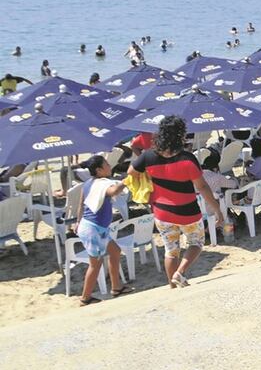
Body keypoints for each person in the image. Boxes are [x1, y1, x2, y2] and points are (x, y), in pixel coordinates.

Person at [130, 116, 225, 288]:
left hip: (162, 212)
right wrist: (217, 210)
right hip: (187, 211)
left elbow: (131, 173)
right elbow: (202, 187)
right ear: (180, 135)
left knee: (171, 251)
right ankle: (180, 273)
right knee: (196, 243)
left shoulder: (148, 157)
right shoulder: (187, 158)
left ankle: (173, 286)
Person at [73, 155, 132, 306]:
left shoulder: (88, 184)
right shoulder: (101, 184)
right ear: (99, 170)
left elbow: (81, 205)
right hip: (93, 229)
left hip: (94, 227)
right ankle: (85, 298)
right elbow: (114, 192)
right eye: (106, 164)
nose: (109, 166)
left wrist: (78, 221)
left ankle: (116, 287)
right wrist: (128, 179)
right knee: (95, 264)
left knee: (115, 251)